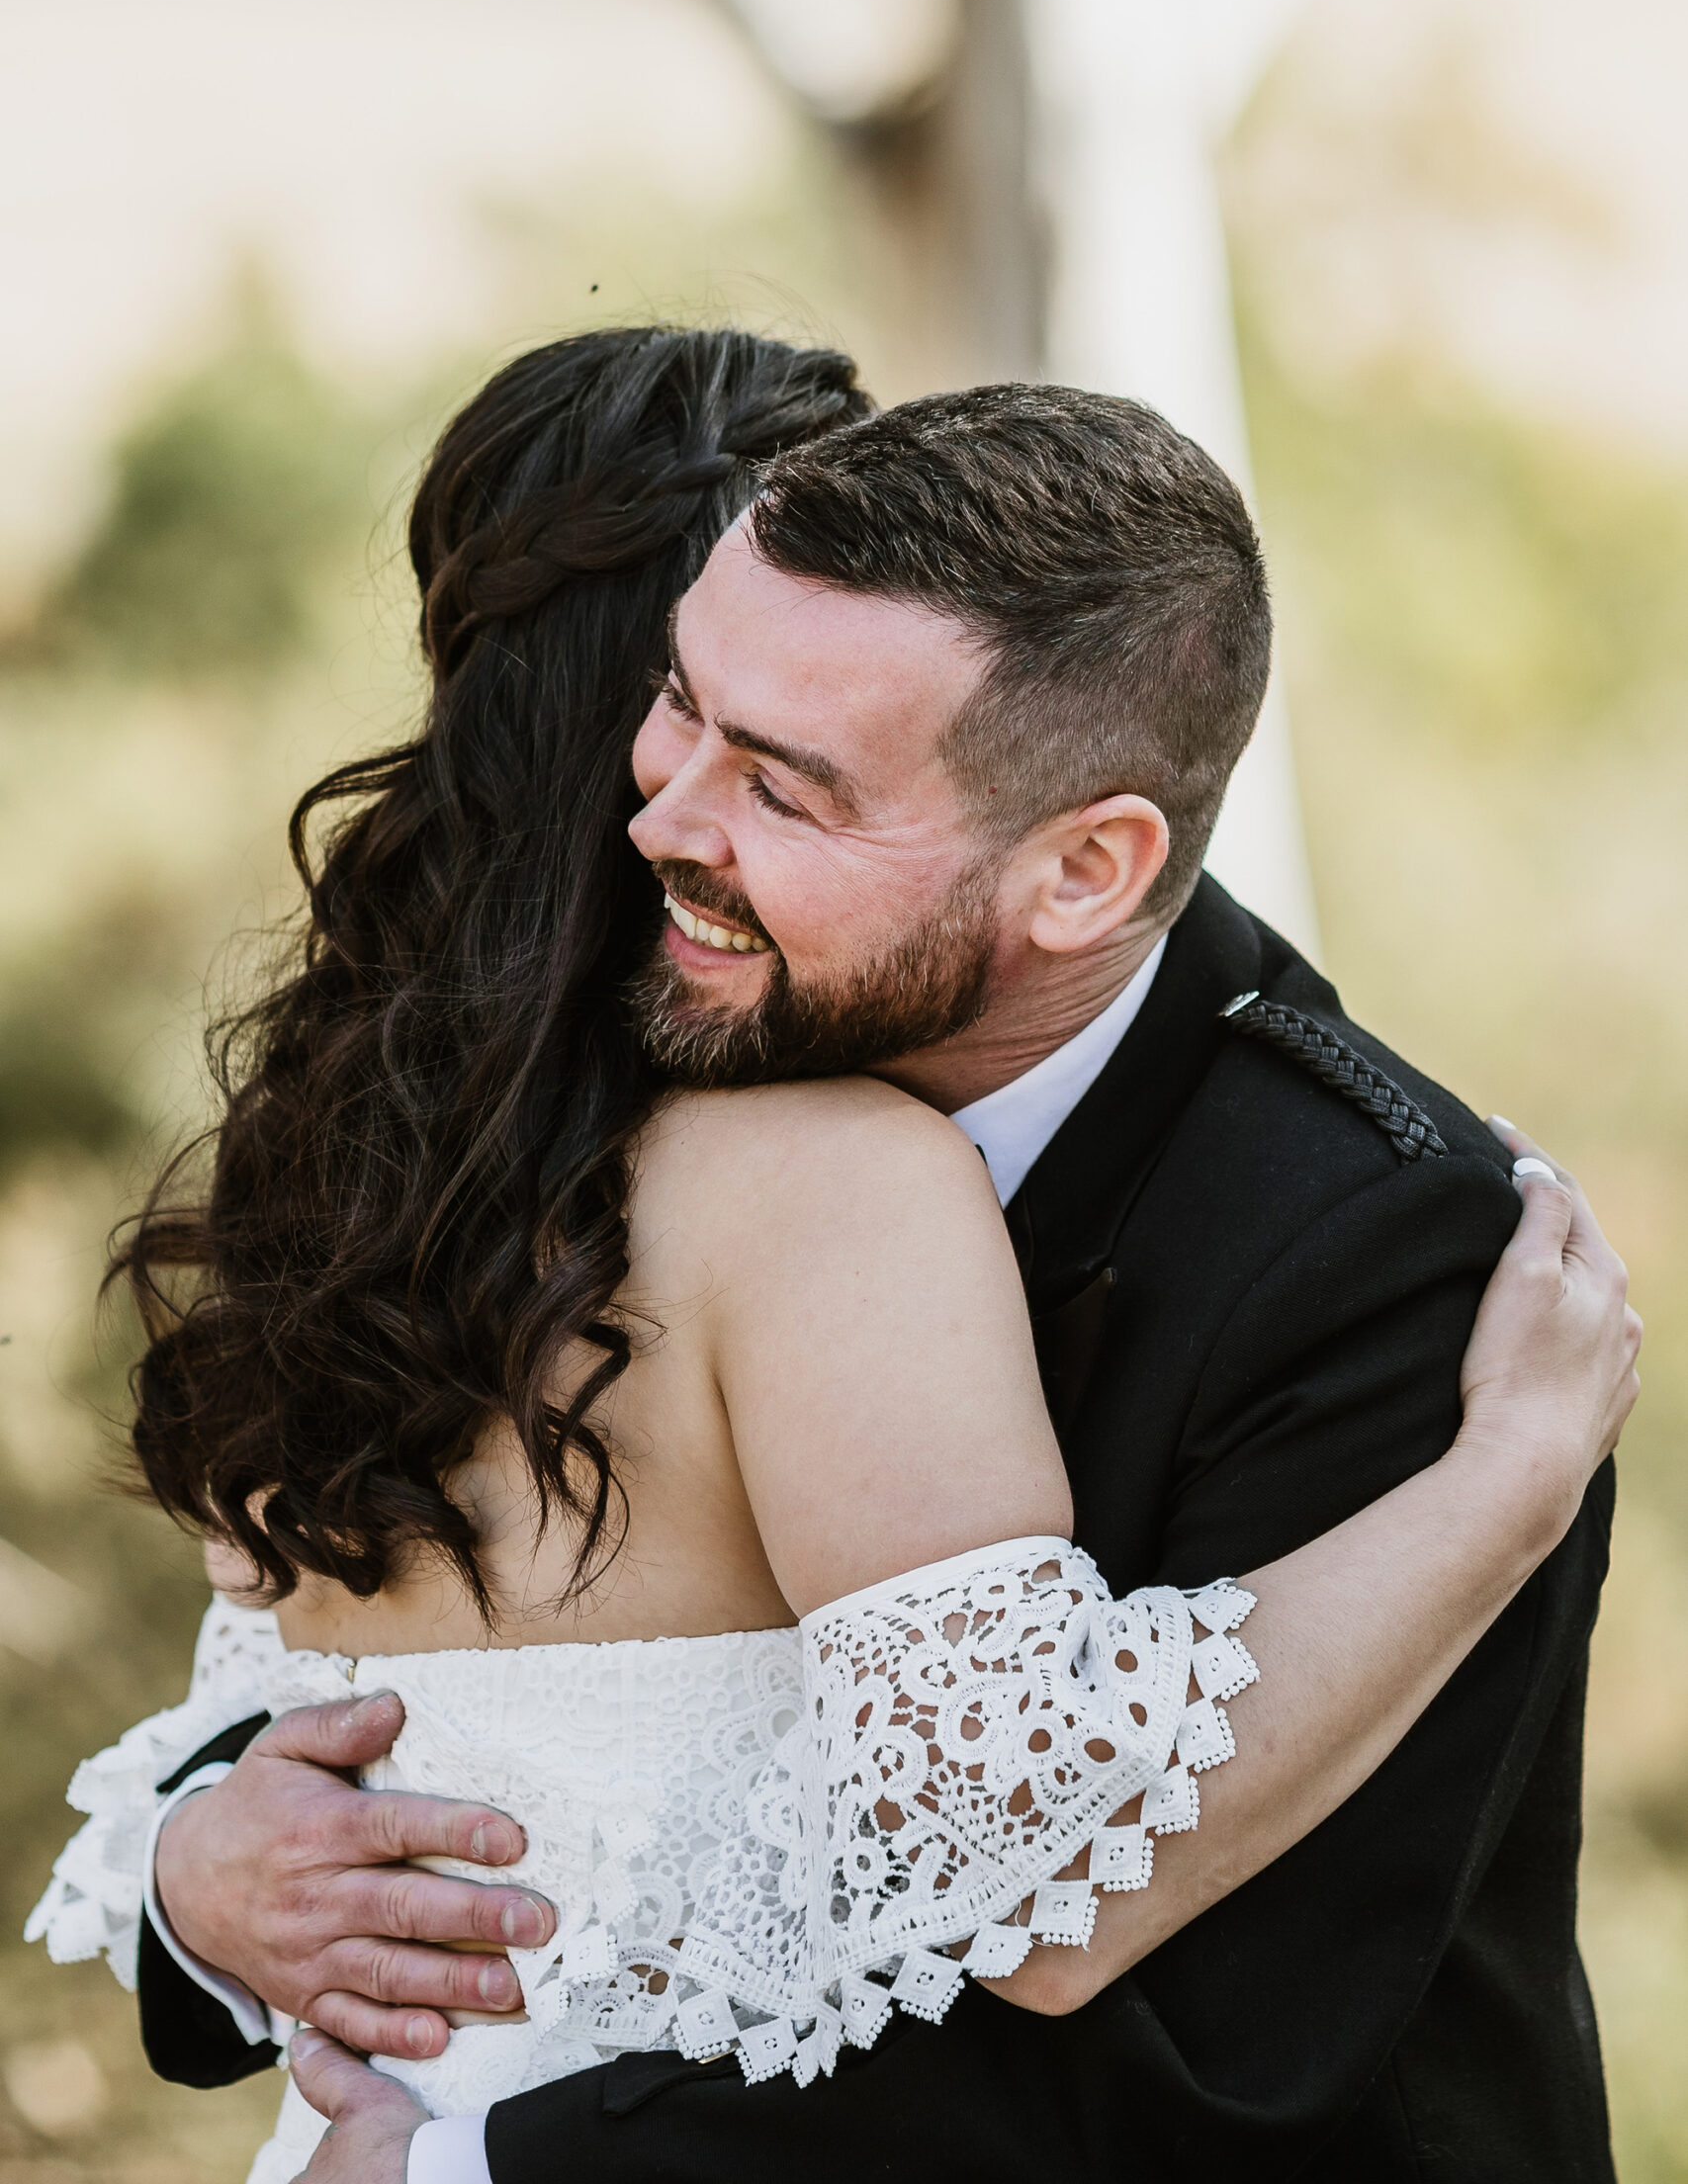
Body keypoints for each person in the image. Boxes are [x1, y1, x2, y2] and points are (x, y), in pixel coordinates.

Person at [30, 336, 1638, 2184]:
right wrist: (198, 1862)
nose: (662, 819)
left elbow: (1200, 2059)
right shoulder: (609, 1081)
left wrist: (467, 2170)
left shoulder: (1382, 1252)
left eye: (785, 787)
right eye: (672, 703)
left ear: (1087, 874)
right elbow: (370, 1673)